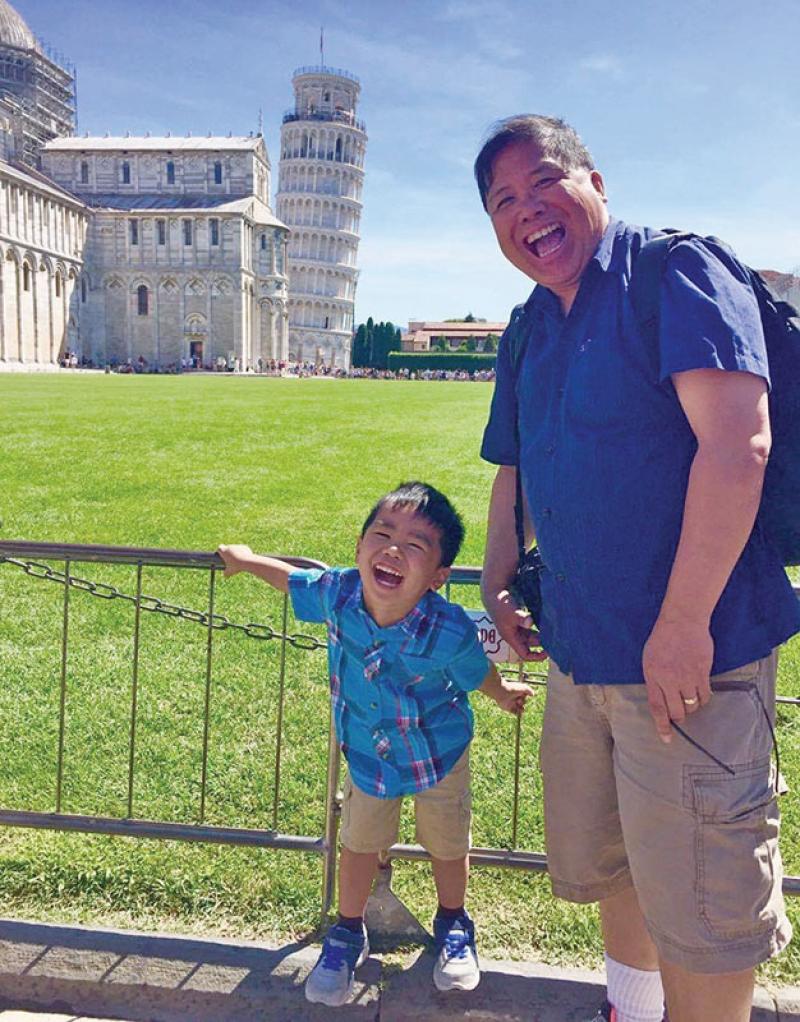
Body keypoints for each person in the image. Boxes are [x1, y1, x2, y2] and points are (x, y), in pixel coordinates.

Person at [475, 114, 800, 1022]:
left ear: (597, 184)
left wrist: (682, 623)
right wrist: (501, 580)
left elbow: (740, 446)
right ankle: (631, 1010)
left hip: (690, 665)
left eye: (544, 184)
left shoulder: (677, 272)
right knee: (621, 869)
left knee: (706, 908)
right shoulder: (529, 325)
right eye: (504, 202)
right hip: (585, 659)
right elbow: (515, 465)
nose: (527, 211)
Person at [218, 481, 533, 1008]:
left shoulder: (448, 628)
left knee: (448, 842)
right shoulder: (338, 593)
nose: (392, 549)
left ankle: (454, 921)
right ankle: (346, 931)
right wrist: (247, 560)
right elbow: (292, 579)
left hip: (438, 755)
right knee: (358, 842)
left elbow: (475, 671)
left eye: (414, 545)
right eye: (381, 533)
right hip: (367, 756)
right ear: (360, 546)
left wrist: (503, 695)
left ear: (437, 577)